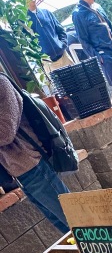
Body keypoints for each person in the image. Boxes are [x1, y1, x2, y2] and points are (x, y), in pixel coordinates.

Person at [0, 74, 70, 234]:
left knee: (75, 221)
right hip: (18, 170)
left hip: (31, 163)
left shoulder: (1, 83)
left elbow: (5, 132)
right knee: (63, 225)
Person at [13, 0, 74, 74]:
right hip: (48, 65)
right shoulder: (22, 21)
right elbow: (26, 47)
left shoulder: (46, 13)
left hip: (65, 57)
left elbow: (61, 31)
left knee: (80, 81)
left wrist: (62, 45)